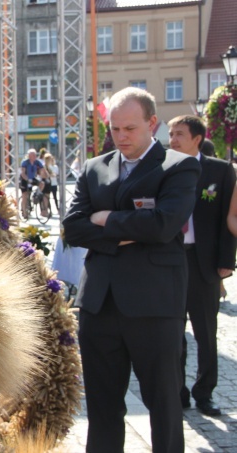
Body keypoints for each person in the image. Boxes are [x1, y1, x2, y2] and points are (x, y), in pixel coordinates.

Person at [63, 87, 201, 453]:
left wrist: (106, 219)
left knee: (164, 405)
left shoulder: (179, 166)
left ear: (152, 123)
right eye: (115, 128)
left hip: (155, 305)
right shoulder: (95, 168)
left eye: (130, 129)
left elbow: (162, 225)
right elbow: (73, 227)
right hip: (99, 305)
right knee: (103, 407)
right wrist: (124, 234)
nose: (120, 137)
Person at [168, 115, 236, 416]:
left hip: (204, 262)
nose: (172, 140)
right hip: (170, 262)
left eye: (179, 134)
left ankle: (204, 392)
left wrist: (225, 263)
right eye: (171, 134)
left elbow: (228, 219)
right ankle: (178, 390)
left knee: (206, 332)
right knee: (172, 331)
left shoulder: (220, 171)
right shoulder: (164, 170)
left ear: (196, 138)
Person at [19, 148, 47, 219]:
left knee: (42, 183)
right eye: (32, 155)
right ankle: (24, 212)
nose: (34, 156)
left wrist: (46, 176)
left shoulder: (37, 162)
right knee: (25, 195)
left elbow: (43, 170)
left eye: (35, 155)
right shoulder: (25, 162)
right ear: (29, 156)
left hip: (33, 178)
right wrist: (27, 179)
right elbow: (23, 173)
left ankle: (36, 194)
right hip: (25, 179)